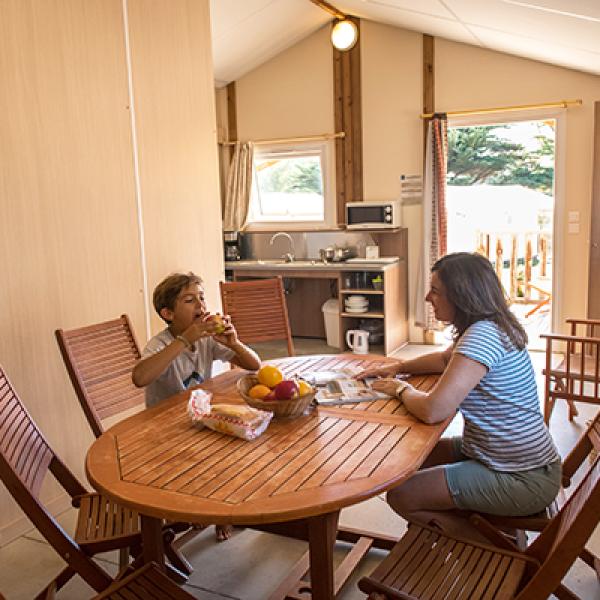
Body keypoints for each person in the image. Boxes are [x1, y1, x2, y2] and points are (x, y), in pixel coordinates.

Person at [358, 252, 561, 541]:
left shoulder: (481, 336)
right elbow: (444, 360)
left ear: (462, 295)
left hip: (520, 478)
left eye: (436, 291)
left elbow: (433, 410)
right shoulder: (494, 324)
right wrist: (398, 366)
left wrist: (401, 388)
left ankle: (496, 550)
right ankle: (459, 516)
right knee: (408, 457)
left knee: (401, 495)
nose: (428, 297)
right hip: (516, 459)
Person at [132, 271, 261, 540]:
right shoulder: (161, 344)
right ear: (168, 313)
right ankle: (203, 510)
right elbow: (140, 377)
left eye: (201, 298)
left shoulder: (206, 340)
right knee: (220, 448)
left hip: (200, 420)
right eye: (190, 300)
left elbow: (254, 365)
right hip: (165, 431)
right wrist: (184, 340)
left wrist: (234, 343)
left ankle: (221, 511)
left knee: (238, 440)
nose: (201, 306)